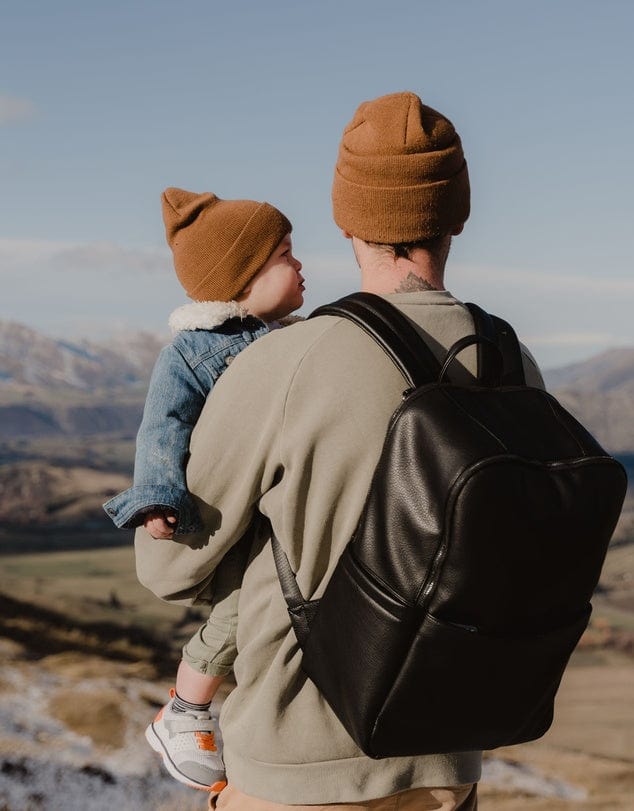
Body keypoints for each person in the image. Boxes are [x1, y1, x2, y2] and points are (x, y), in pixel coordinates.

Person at [135, 92, 545, 811]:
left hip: (298, 767)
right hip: (447, 767)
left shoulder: (286, 363)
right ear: (457, 215)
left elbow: (168, 568)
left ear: (346, 218)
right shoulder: (511, 361)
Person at [104, 186, 304, 792]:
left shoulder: (297, 336)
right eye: (285, 255)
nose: (300, 266)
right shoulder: (192, 355)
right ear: (242, 276)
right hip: (228, 517)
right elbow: (160, 427)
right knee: (253, 601)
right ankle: (185, 709)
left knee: (284, 604)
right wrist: (157, 497)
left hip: (278, 503)